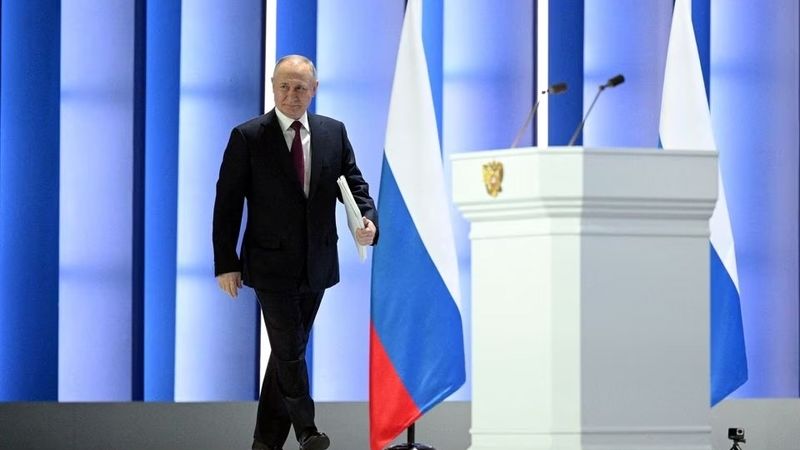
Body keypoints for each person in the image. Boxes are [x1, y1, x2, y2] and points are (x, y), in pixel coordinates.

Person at [212, 55, 378, 450]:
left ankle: (265, 443)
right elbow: (227, 203)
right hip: (269, 264)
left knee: (289, 353)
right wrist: (226, 262)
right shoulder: (248, 136)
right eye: (284, 86)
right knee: (289, 348)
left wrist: (369, 220)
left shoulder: (333, 132)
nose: (291, 94)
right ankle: (307, 430)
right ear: (273, 86)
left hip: (317, 262)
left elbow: (354, 184)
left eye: (300, 87)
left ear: (314, 90)